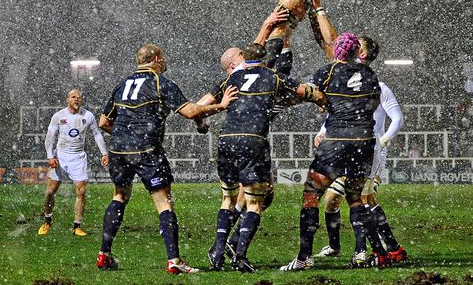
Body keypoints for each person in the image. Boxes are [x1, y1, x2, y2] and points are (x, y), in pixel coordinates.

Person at [96, 44, 238, 274]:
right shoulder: (161, 83)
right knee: (164, 203)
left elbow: (103, 123)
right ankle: (174, 261)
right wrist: (222, 105)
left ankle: (104, 254)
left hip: (119, 150)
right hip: (147, 149)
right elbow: (190, 112)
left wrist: (126, 137)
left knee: (120, 196)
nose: (164, 62)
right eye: (163, 59)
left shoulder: (121, 85)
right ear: (156, 59)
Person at [202, 42, 326, 272]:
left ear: (244, 58)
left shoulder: (232, 80)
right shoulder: (273, 76)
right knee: (256, 202)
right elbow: (303, 91)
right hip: (253, 140)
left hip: (227, 139)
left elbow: (201, 105)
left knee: (227, 200)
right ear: (265, 57)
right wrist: (320, 98)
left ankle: (218, 252)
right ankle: (239, 256)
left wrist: (203, 120)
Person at [309, 0, 408, 265]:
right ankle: (386, 249)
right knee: (361, 199)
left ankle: (374, 251)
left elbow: (396, 117)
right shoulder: (353, 78)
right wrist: (324, 130)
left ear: (361, 53)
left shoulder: (373, 82)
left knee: (361, 199)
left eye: (355, 45)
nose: (348, 46)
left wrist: (384, 140)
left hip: (367, 147)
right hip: (352, 145)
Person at [280, 32, 391, 271]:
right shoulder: (369, 74)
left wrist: (323, 102)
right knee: (355, 197)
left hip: (336, 139)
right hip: (363, 141)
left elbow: (309, 93)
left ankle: (304, 257)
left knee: (311, 195)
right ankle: (361, 253)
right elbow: (372, 105)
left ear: (339, 51)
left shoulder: (327, 71)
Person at [38, 89, 108, 236]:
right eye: (73, 97)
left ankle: (77, 226)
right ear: (67, 99)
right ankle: (47, 220)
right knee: (51, 191)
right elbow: (50, 137)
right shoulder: (58, 116)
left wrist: (104, 153)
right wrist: (50, 156)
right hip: (61, 157)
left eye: (79, 97)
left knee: (81, 192)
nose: (77, 99)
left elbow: (97, 134)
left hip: (78, 158)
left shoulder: (87, 116)